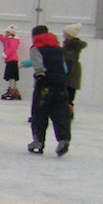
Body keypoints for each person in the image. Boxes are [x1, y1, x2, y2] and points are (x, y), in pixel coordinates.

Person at [24, 25, 72, 155]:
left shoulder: (36, 48)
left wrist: (40, 75)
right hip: (61, 84)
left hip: (45, 85)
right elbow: (65, 68)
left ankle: (38, 140)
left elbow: (39, 66)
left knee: (39, 112)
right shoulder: (58, 48)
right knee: (61, 112)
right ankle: (63, 139)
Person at [62, 23, 88, 108]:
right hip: (73, 71)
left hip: (71, 72)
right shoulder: (69, 45)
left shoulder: (70, 46)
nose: (63, 34)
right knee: (69, 93)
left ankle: (68, 111)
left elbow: (69, 60)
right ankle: (68, 110)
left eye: (64, 33)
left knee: (68, 93)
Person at [0, 26, 21, 100]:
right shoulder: (8, 40)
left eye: (8, 32)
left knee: (12, 76)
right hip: (10, 60)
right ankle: (13, 90)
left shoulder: (13, 40)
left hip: (12, 60)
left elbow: (12, 49)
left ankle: (12, 90)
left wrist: (5, 54)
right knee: (11, 76)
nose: (6, 34)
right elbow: (4, 40)